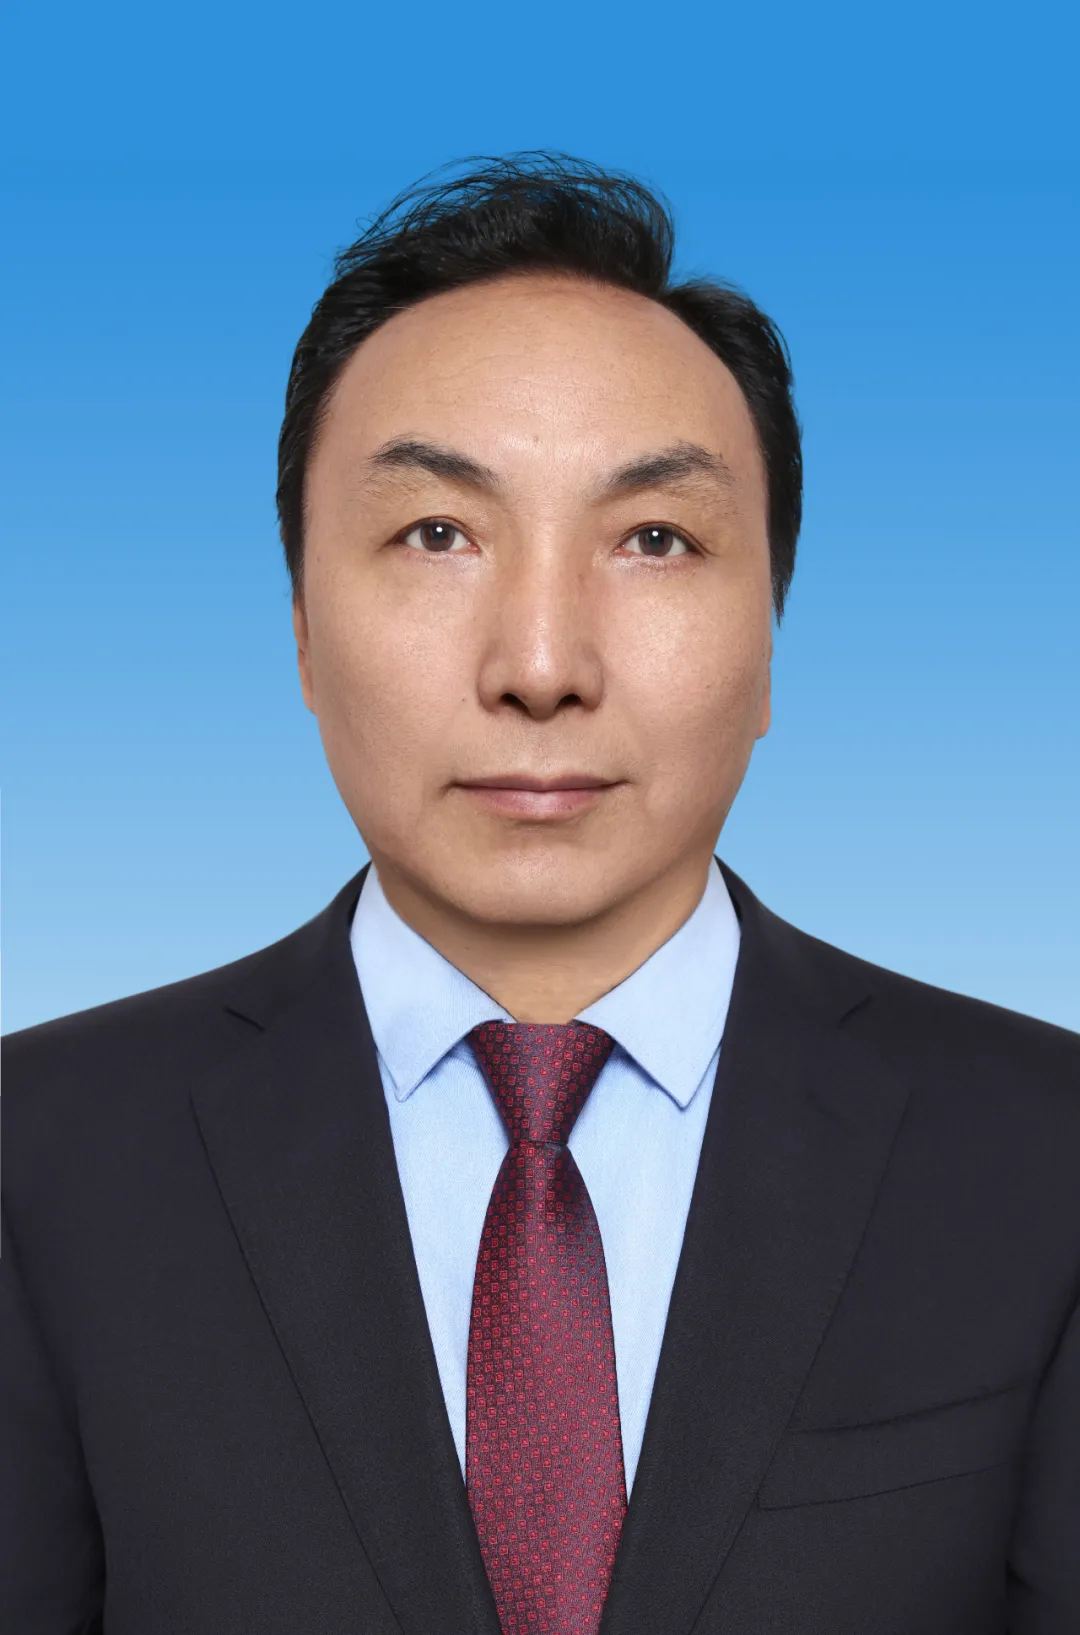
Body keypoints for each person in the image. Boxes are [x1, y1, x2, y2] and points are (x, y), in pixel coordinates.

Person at [2, 154, 1077, 1635]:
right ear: (302, 627)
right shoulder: (39, 1160)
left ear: (772, 633)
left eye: (655, 539)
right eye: (437, 533)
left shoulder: (1044, 1153)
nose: (542, 664)